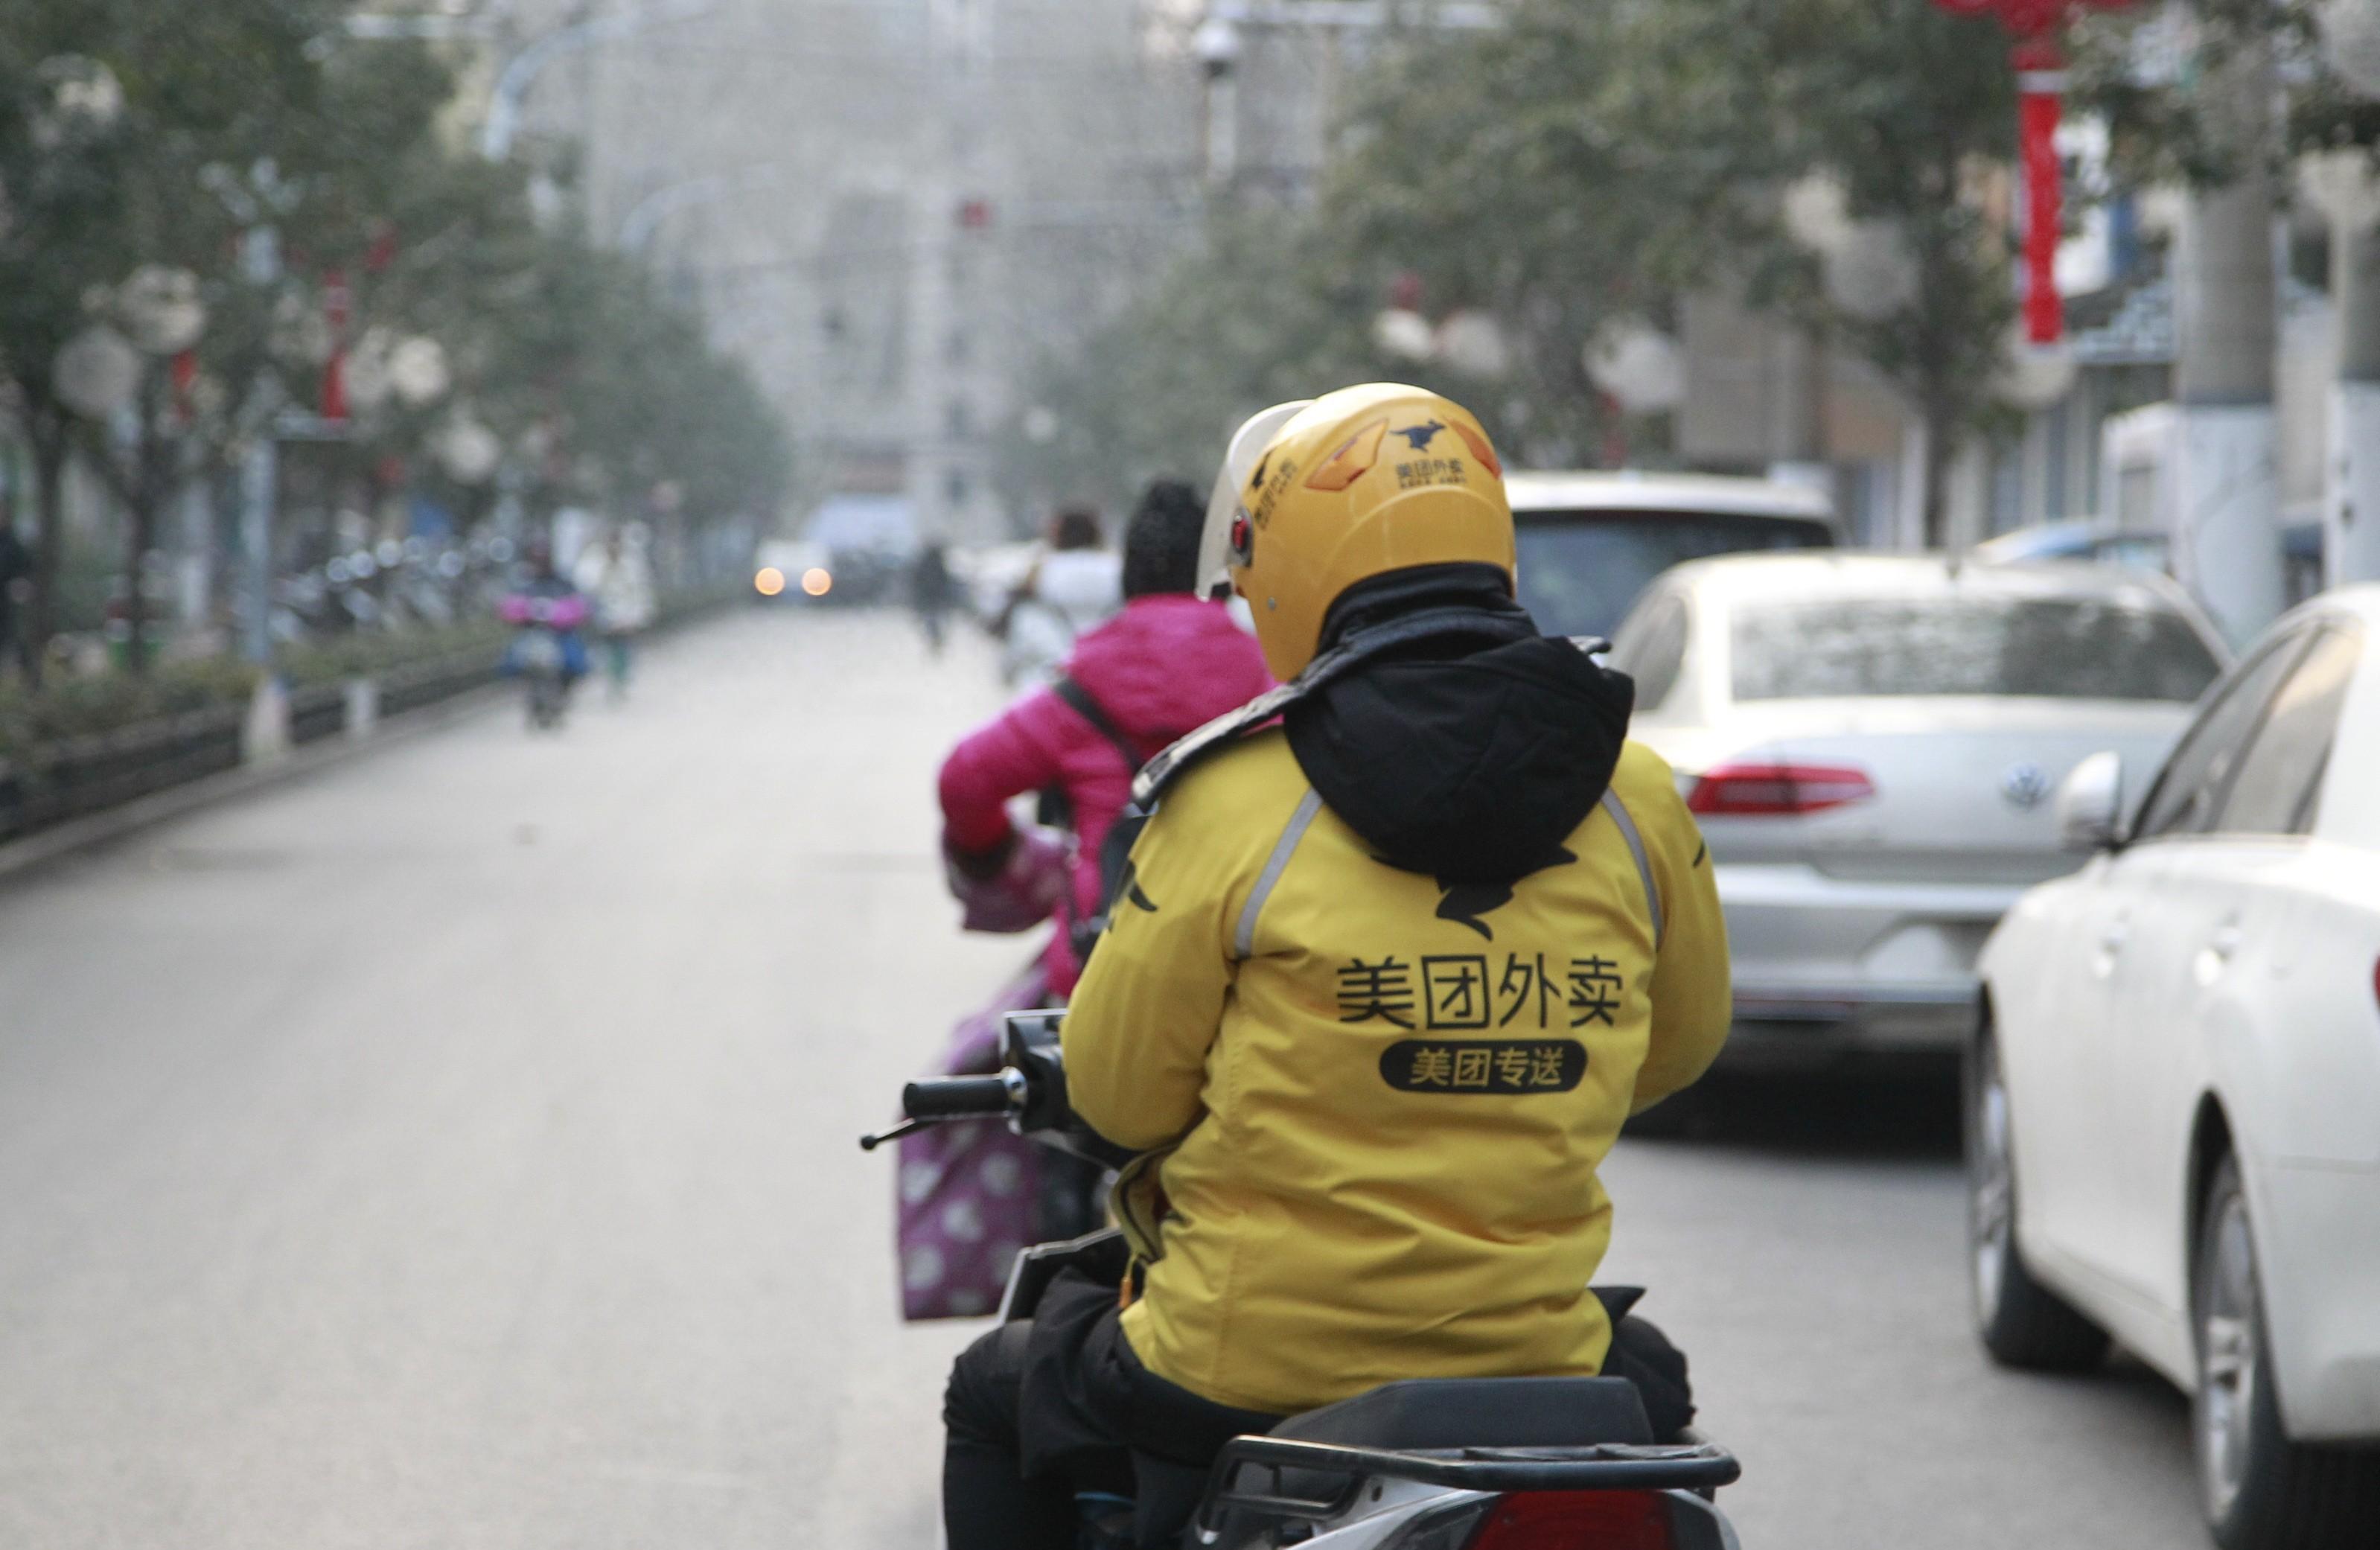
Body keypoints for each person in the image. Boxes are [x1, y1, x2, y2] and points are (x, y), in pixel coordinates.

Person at [939, 385, 1732, 1550]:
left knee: (994, 1382)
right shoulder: (1638, 794)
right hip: (1533, 1353)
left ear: (1288, 566)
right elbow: (1676, 1050)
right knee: (1652, 1388)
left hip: (1239, 1362)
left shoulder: (1228, 799)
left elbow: (1117, 1097)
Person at [939, 480, 1273, 998]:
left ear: (1129, 575)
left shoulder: (1081, 689)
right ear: (1228, 578)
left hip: (1101, 976)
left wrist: (1001, 858)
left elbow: (964, 781)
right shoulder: (1272, 681)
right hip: (1250, 977)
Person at [998, 506, 1123, 686]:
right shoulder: (1117, 570)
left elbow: (1023, 628)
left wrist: (1009, 667)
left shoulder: (1041, 573)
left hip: (1049, 680)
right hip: (1105, 679)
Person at [572, 525, 655, 701]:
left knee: (622, 649)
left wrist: (638, 616)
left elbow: (640, 591)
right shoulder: (594, 561)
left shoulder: (632, 562)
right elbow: (586, 586)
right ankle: (610, 678)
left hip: (626, 614)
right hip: (602, 614)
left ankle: (619, 680)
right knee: (606, 649)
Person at [911, 538, 958, 656]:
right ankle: (937, 641)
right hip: (936, 599)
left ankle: (935, 641)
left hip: (929, 599)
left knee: (931, 622)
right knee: (938, 621)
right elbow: (945, 582)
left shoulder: (924, 565)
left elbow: (917, 582)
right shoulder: (939, 565)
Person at [0, 520, 32, 682]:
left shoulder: (12, 542)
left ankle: (27, 670)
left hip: (8, 602)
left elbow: (25, 565)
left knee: (15, 635)